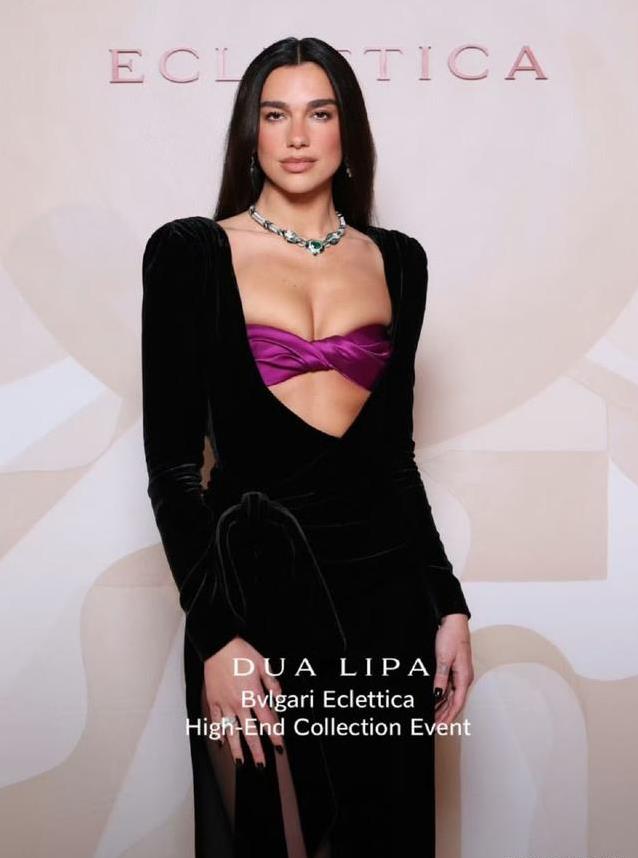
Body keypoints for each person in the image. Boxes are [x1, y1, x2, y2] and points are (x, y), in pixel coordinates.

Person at [141, 36, 474, 858]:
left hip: (387, 599)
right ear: (249, 133)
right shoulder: (190, 253)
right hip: (253, 598)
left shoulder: (399, 262)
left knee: (386, 836)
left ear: (346, 130)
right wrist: (218, 634)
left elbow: (394, 459)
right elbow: (174, 471)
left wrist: (449, 605)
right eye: (275, 114)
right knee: (275, 836)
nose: (296, 136)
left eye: (318, 114)